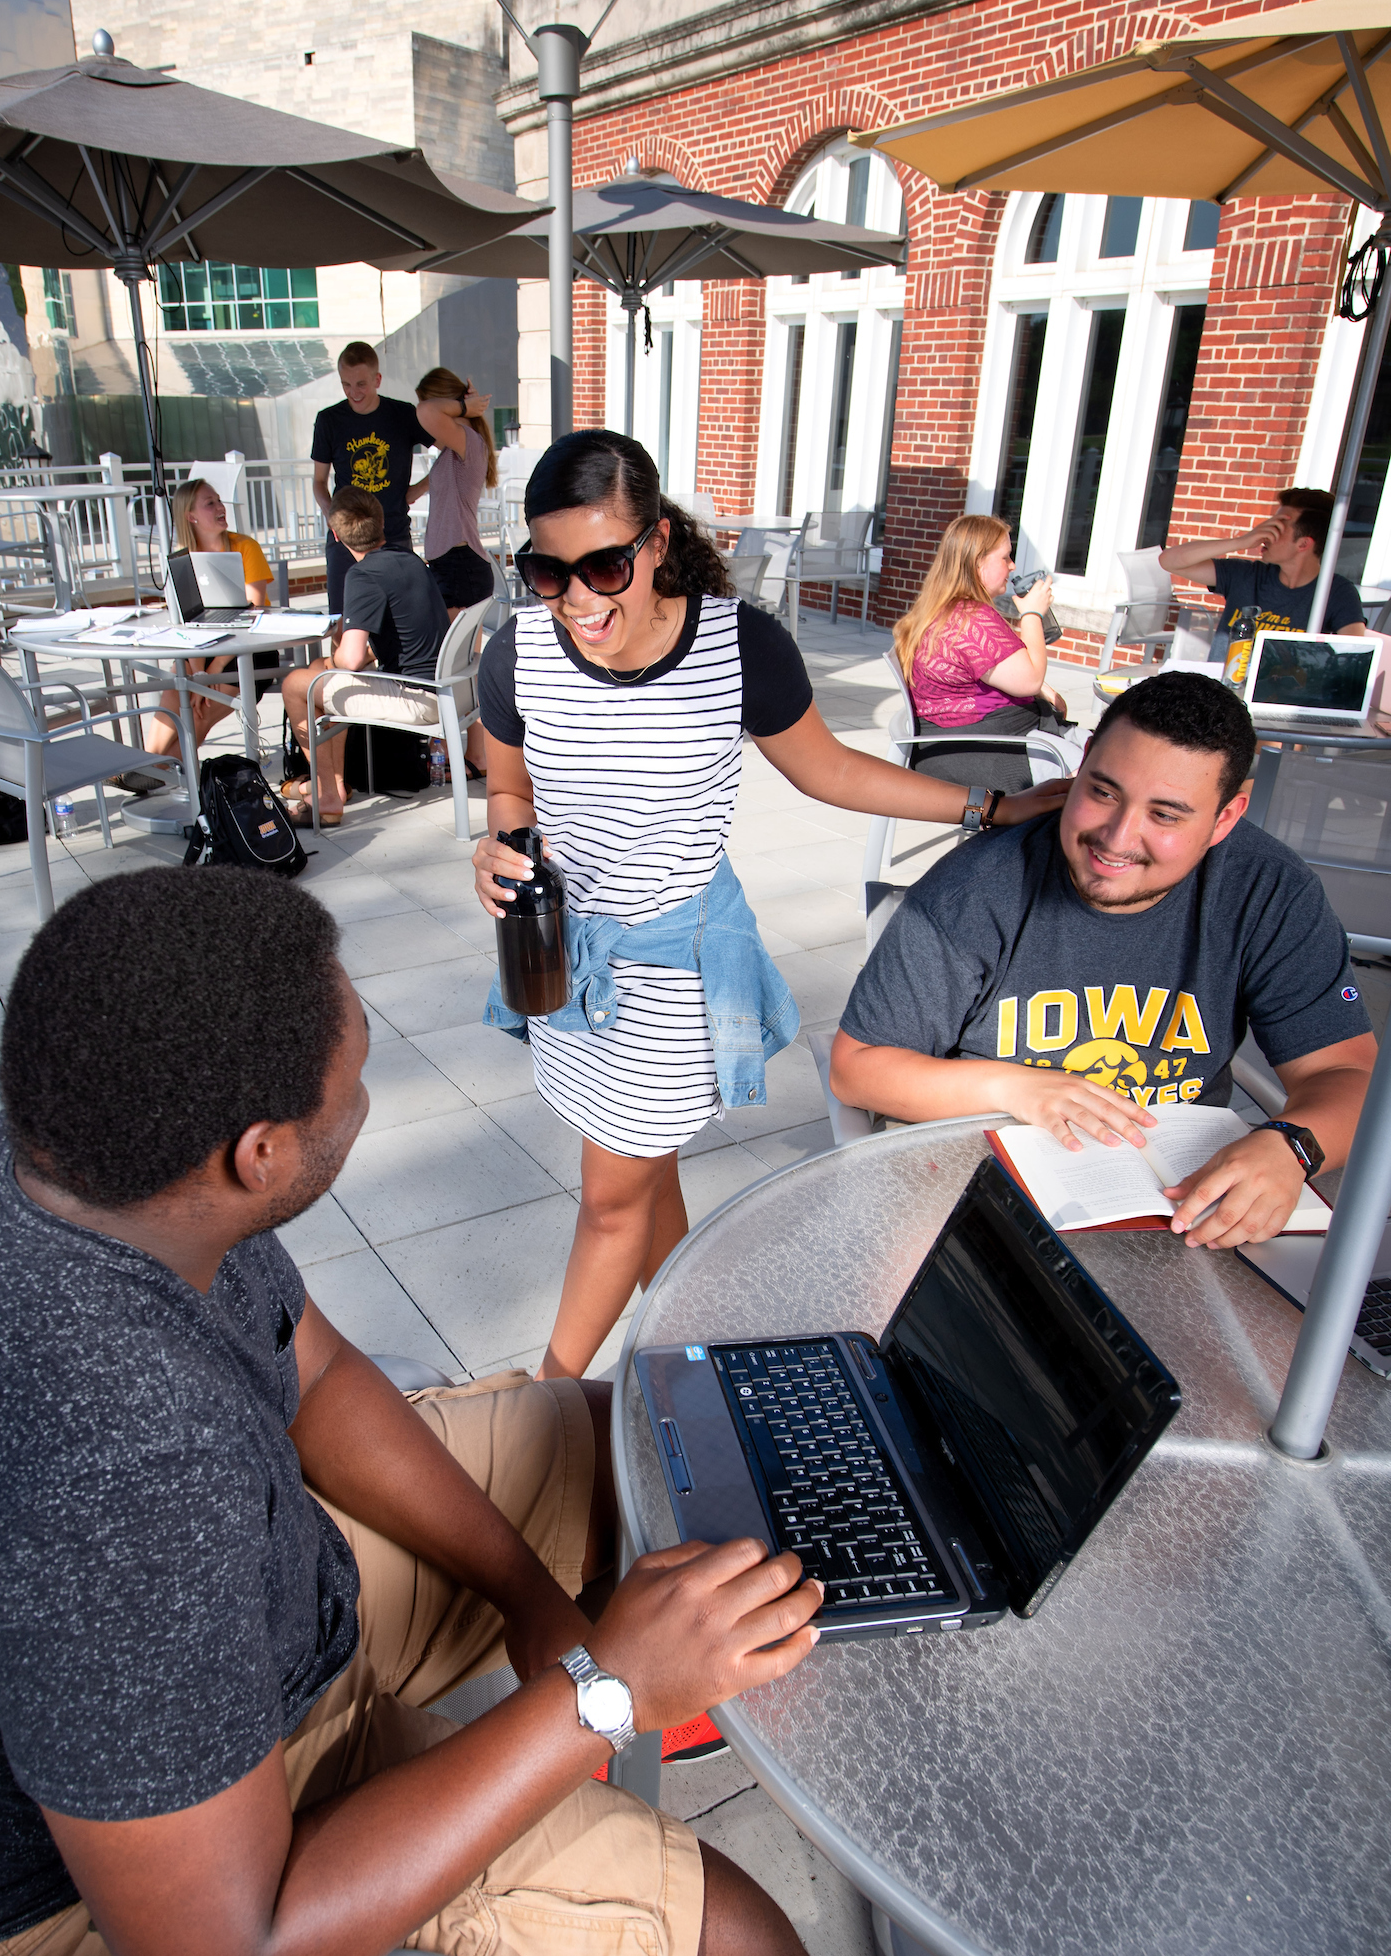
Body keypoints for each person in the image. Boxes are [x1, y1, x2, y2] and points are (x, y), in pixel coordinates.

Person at [0, 867, 1010, 1956]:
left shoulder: (76, 1159)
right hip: (97, 1892)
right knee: (731, 1954)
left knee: (629, 1447)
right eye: (353, 1070)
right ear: (258, 1154)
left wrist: (525, 1591)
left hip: (231, 1633)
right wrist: (603, 1698)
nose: (367, 1087)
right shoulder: (116, 1474)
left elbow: (313, 1373)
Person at [474, 429, 1067, 1382]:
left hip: (674, 970)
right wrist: (497, 844)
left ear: (657, 543)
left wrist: (987, 805)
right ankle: (692, 1353)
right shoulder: (519, 652)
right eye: (549, 571)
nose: (580, 599)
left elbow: (829, 770)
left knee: (610, 1202)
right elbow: (509, 791)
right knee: (645, 1171)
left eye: (605, 566)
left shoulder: (738, 645)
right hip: (567, 964)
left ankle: (543, 1402)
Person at [829, 673, 1376, 1250]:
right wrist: (1014, 1086)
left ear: (1225, 819)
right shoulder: (977, 889)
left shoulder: (1268, 891)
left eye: (1166, 815)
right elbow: (856, 1066)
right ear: (1082, 759)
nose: (1117, 837)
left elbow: (1347, 1075)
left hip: (1176, 1218)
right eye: (1104, 792)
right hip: (980, 1210)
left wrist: (1291, 1145)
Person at [279, 490, 449, 825]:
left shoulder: (363, 575)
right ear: (382, 522)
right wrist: (331, 665)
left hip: (416, 698)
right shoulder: (410, 560)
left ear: (336, 535)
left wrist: (335, 660)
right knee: (316, 672)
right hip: (445, 687)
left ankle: (326, 798)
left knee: (293, 684)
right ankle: (336, 784)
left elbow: (352, 659)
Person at [894, 514, 1071, 791]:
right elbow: (1030, 679)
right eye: (1005, 558)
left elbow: (1007, 672)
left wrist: (1038, 690)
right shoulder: (971, 619)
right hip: (980, 753)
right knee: (1102, 780)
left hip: (956, 744)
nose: (1013, 566)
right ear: (978, 563)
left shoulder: (945, 610)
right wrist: (1033, 614)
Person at [143, 476, 271, 764]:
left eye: (218, 500)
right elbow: (186, 622)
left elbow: (253, 611)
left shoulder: (245, 546)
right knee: (176, 693)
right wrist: (200, 674)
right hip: (201, 649)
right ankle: (145, 764)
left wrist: (213, 670)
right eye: (209, 503)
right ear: (191, 516)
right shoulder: (182, 558)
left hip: (248, 651)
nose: (219, 507)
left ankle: (153, 775)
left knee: (198, 714)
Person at [1160, 487, 1368, 639]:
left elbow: (1354, 653)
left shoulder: (1336, 592)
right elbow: (1169, 561)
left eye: (1278, 526)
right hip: (1222, 694)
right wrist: (1241, 541)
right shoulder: (1247, 575)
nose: (1266, 531)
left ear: (1303, 543)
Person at [311, 341, 425, 617]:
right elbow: (318, 482)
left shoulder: (402, 414)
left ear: (377, 380)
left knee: (399, 616)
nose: (353, 392)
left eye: (360, 384)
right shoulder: (329, 420)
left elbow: (451, 450)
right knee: (343, 617)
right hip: (345, 538)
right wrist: (333, 517)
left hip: (393, 531)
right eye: (346, 385)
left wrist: (416, 491)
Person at [415, 364, 498, 616]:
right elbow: (412, 494)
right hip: (452, 564)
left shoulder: (468, 441)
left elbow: (425, 411)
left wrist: (465, 408)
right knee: (460, 655)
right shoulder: (450, 454)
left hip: (459, 565)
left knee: (457, 656)